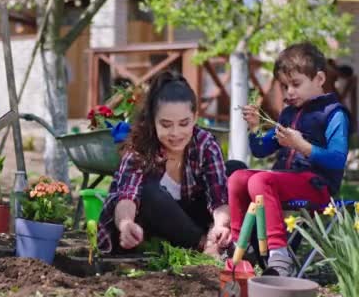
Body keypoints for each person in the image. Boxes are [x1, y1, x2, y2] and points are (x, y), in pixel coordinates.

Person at [230, 42, 351, 276]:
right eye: (285, 86)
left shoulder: (333, 113)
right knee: (237, 177)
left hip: (317, 188)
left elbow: (337, 160)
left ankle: (279, 257)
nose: (289, 93)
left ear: (319, 78)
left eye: (296, 84)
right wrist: (255, 128)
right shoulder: (288, 114)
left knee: (260, 181)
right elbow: (261, 150)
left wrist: (302, 146)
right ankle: (240, 247)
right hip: (285, 182)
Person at [97, 71, 232, 257]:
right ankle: (203, 246)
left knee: (235, 170)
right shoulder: (140, 148)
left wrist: (219, 225)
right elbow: (128, 196)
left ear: (194, 117)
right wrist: (126, 223)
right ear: (153, 121)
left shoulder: (205, 144)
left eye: (184, 123)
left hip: (192, 218)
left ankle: (217, 241)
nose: (176, 133)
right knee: (147, 191)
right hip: (153, 226)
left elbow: (218, 197)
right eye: (166, 125)